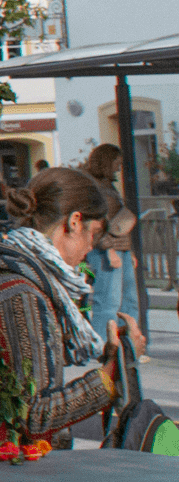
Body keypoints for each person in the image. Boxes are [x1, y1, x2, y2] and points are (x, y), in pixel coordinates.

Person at [0, 168, 137, 443]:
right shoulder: (21, 293)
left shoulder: (16, 272)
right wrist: (110, 376)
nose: (91, 247)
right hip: (6, 468)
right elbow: (34, 416)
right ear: (75, 222)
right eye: (94, 233)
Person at [82, 143, 147, 354]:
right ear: (105, 162)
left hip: (121, 247)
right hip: (107, 250)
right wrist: (105, 245)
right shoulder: (93, 187)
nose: (118, 168)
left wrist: (131, 252)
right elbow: (94, 220)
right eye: (116, 163)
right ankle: (102, 346)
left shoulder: (109, 186)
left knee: (129, 300)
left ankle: (130, 343)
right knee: (108, 301)